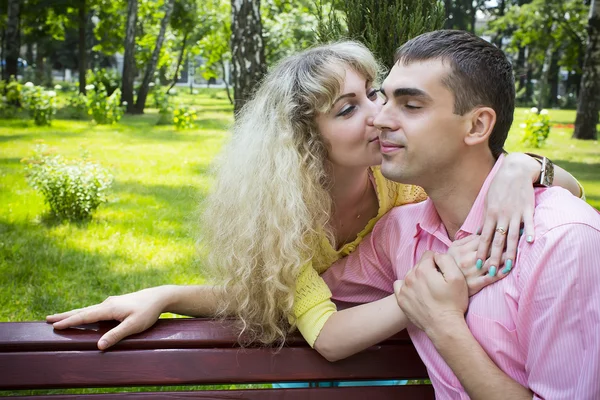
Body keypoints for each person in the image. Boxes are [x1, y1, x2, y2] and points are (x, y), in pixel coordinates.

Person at [47, 41, 584, 365]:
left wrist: (521, 165)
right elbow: (297, 307)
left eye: (375, 93)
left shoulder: (407, 187)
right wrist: (167, 294)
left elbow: (571, 193)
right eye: (348, 108)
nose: (378, 115)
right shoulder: (287, 225)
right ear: (307, 141)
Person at [322, 30, 600, 398]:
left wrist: (441, 322)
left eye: (411, 105)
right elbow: (316, 296)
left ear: (477, 125)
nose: (379, 120)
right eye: (384, 98)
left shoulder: (561, 241)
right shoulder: (401, 231)